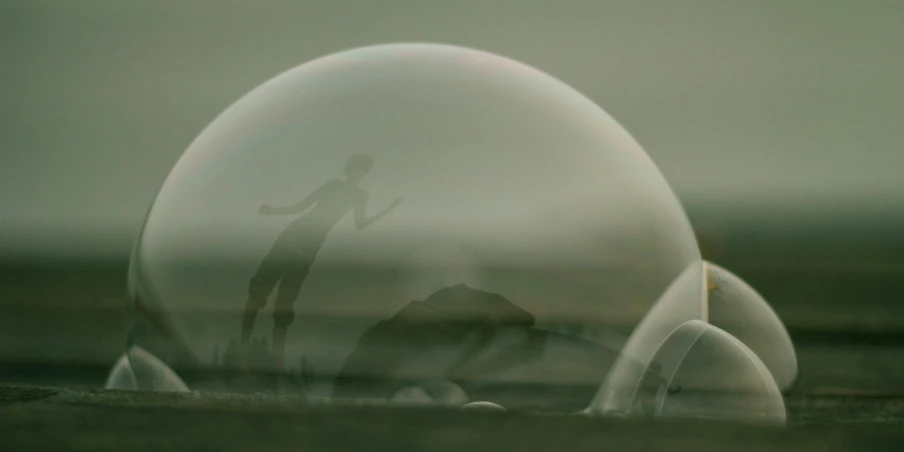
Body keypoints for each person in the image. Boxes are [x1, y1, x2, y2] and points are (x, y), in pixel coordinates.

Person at [241, 154, 402, 374]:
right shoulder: (341, 188)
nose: (353, 170)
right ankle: (244, 353)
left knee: (284, 299)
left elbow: (359, 223)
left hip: (308, 243)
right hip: (298, 235)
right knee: (263, 288)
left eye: (357, 167)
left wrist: (388, 210)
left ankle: (276, 363)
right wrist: (274, 211)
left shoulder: (357, 194)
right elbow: (303, 207)